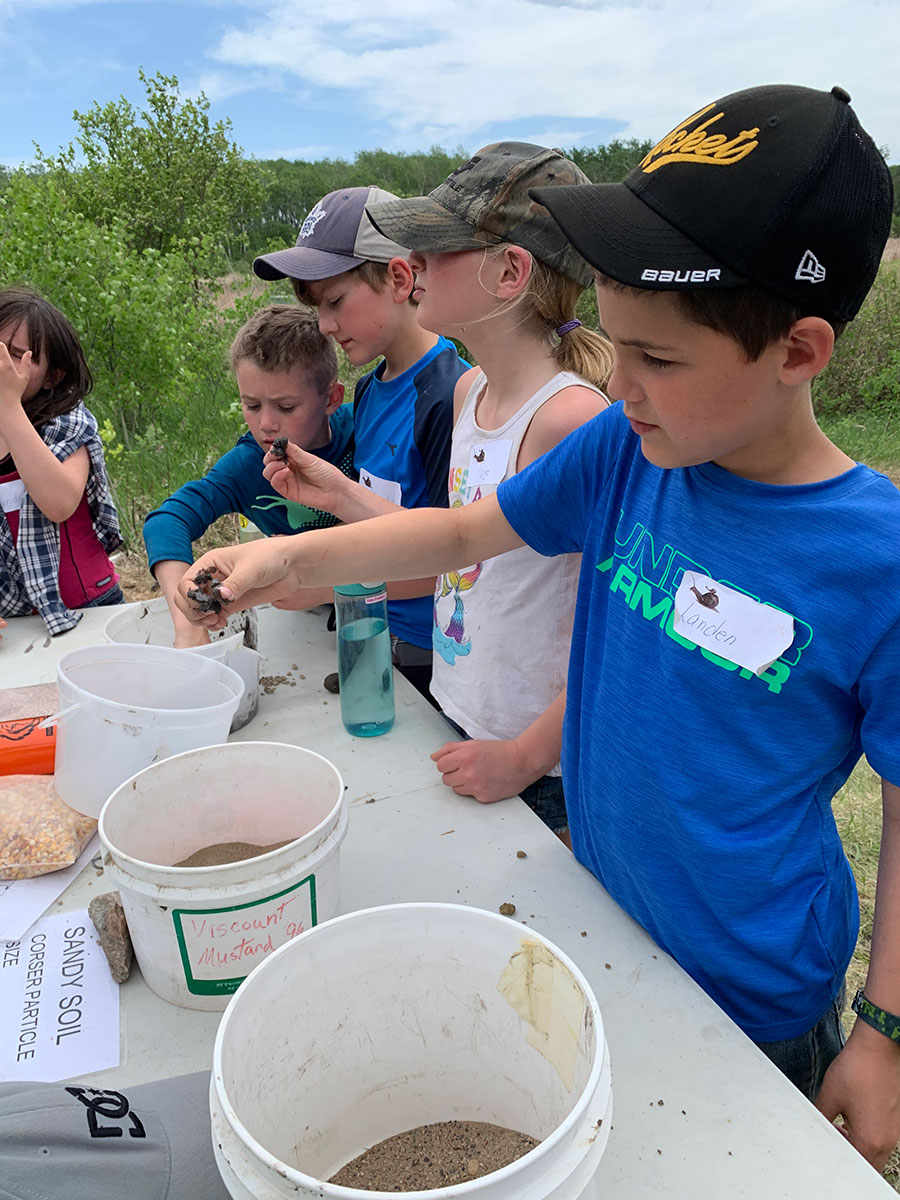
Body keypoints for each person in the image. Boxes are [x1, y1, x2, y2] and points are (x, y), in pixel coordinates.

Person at [176, 84, 899, 1170]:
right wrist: (286, 557)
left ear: (798, 351)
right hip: (602, 919)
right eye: (616, 347)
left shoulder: (872, 560)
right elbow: (459, 533)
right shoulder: (626, 458)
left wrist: (886, 1034)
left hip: (755, 990)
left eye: (658, 360)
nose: (628, 390)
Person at [271, 144, 612, 834]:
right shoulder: (469, 391)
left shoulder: (569, 420)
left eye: (433, 249)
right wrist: (339, 493)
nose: (413, 268)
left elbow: (607, 633)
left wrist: (523, 755)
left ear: (510, 271)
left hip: (532, 761)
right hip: (459, 708)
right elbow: (457, 548)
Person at [252, 185, 469, 699]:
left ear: (398, 278)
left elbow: (452, 560)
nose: (325, 326)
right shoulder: (370, 388)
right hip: (375, 629)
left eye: (335, 302)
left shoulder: (448, 396)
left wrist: (318, 587)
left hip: (431, 650)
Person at [143, 305, 353, 648]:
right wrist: (189, 622)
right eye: (251, 405)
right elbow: (165, 522)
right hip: (305, 628)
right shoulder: (246, 465)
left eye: (285, 407)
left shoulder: (368, 432)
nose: (266, 424)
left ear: (331, 398)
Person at [0, 287, 122, 640]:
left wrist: (9, 406)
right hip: (16, 621)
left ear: (52, 376)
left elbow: (59, 503)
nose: (3, 365)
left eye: (18, 355)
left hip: (88, 608)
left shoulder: (67, 423)